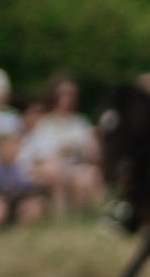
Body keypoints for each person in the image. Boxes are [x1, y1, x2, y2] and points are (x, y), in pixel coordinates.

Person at [18, 75, 102, 214]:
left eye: (71, 94)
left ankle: (93, 215)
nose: (68, 98)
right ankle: (64, 218)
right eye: (64, 94)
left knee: (90, 175)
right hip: (52, 169)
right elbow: (39, 155)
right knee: (60, 174)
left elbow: (90, 153)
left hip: (76, 168)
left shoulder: (80, 122)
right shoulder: (44, 123)